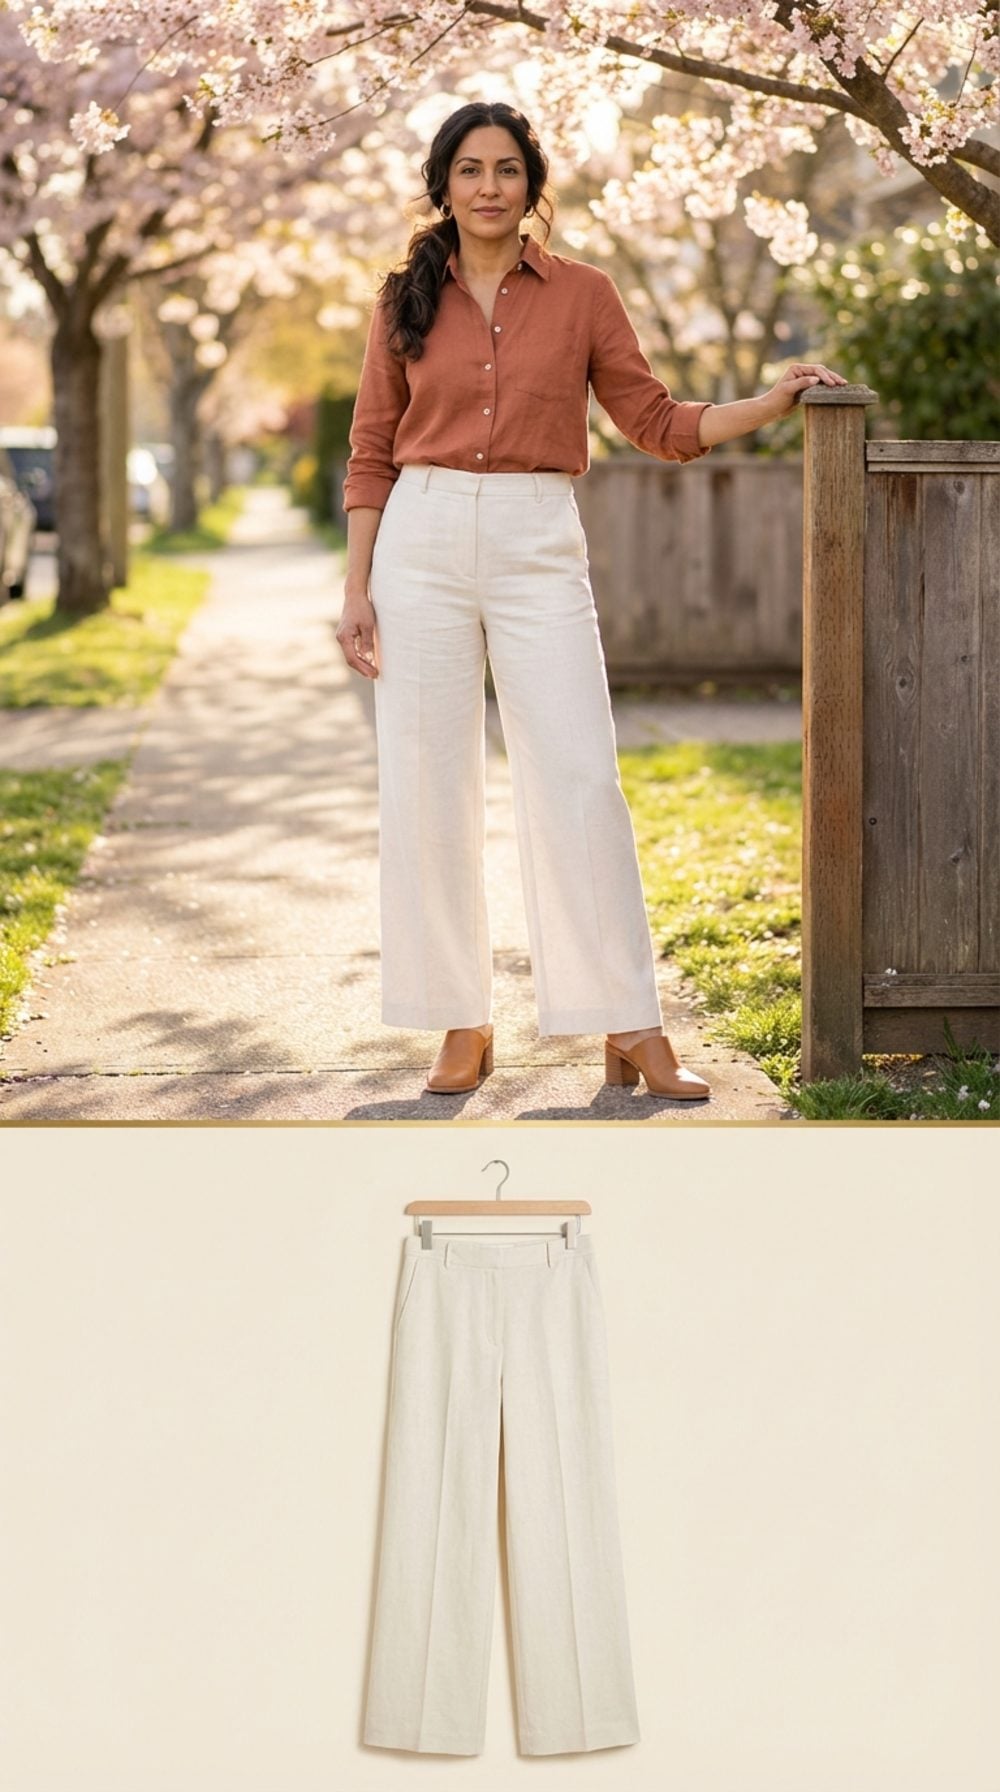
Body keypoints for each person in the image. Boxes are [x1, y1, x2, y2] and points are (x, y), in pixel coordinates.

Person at [337, 100, 847, 1099]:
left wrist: (767, 400)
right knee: (427, 781)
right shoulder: (401, 296)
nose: (489, 187)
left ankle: (628, 1021)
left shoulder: (581, 294)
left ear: (533, 186)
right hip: (421, 539)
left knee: (578, 777)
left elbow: (652, 419)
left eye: (507, 170)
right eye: (470, 169)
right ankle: (462, 1020)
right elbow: (369, 446)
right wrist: (357, 587)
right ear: (443, 183)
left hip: (536, 535)